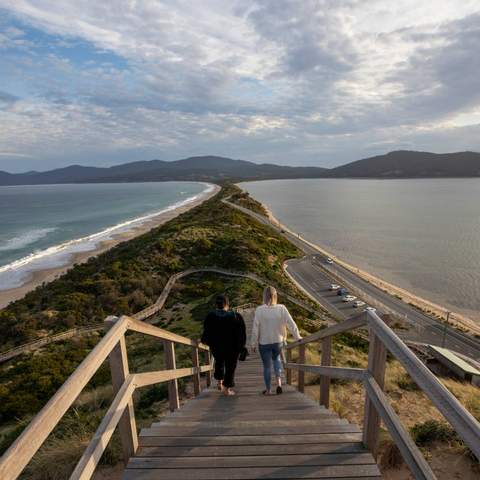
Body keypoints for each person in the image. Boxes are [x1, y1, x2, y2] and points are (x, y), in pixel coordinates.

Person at [251, 286, 301, 395]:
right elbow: (291, 323)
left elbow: (255, 328)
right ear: (275, 296)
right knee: (277, 360)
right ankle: (279, 383)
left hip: (264, 343)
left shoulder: (259, 310)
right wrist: (298, 337)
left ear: (264, 296)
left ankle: (268, 390)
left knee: (267, 367)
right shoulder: (282, 308)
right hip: (278, 341)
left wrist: (253, 343)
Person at [201, 294, 246, 396]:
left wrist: (206, 341)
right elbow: (242, 333)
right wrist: (241, 347)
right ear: (227, 304)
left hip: (217, 347)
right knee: (230, 367)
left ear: (216, 304)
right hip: (232, 348)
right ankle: (226, 389)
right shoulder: (236, 316)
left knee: (219, 362)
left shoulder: (210, 316)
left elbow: (206, 332)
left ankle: (219, 382)